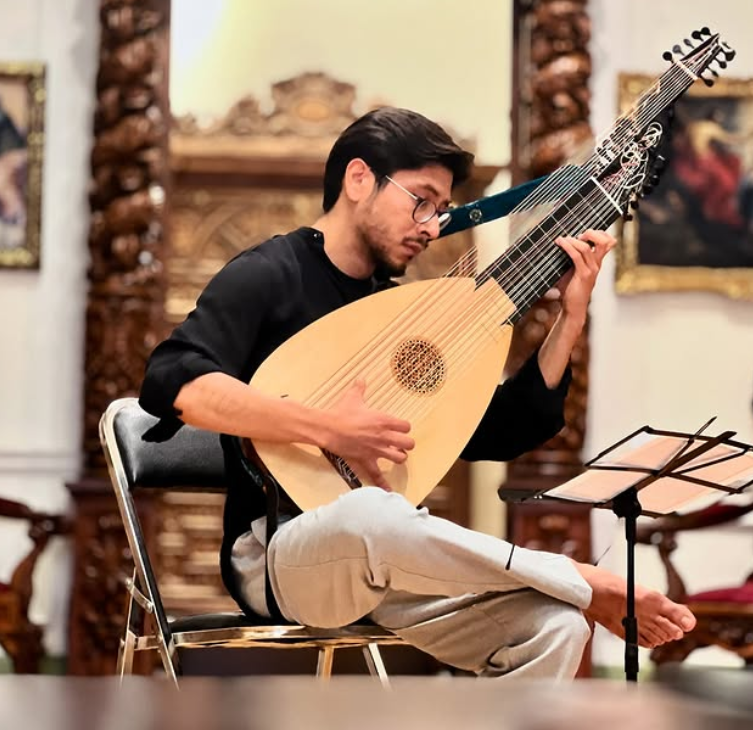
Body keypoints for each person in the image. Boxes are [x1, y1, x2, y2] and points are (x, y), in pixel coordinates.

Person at [140, 107, 696, 680]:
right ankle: (575, 576)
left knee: (556, 626)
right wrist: (327, 428)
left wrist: (569, 319)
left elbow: (502, 429)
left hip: (390, 562)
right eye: (422, 201)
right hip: (281, 555)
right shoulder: (269, 273)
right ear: (359, 180)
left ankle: (566, 593)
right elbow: (174, 380)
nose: (432, 226)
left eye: (442, 210)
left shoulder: (400, 311)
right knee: (375, 514)